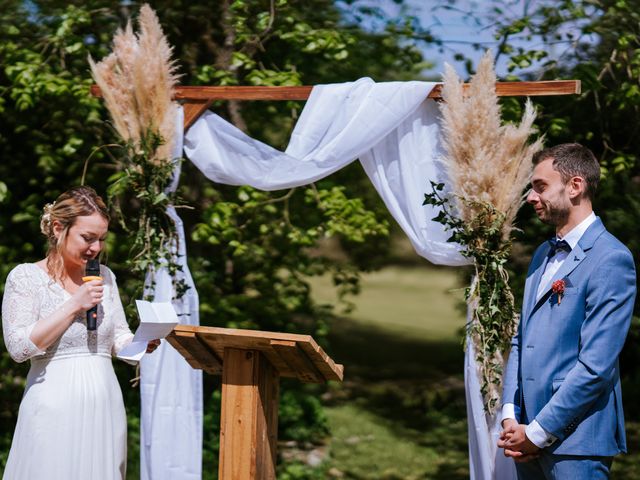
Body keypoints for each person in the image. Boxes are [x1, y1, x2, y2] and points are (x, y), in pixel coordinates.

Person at [497, 144, 636, 478]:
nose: (530, 197)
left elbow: (595, 367)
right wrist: (510, 415)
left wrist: (538, 432)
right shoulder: (542, 254)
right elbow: (521, 339)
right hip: (524, 434)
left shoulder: (610, 259)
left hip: (577, 443)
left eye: (540, 186)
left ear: (576, 186)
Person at [2, 186, 159, 479]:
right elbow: (19, 348)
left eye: (101, 239)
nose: (96, 248)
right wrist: (74, 304)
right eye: (88, 238)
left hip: (105, 406)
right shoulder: (25, 277)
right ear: (59, 227)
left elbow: (118, 340)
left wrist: (141, 343)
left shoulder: (106, 277)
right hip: (53, 407)